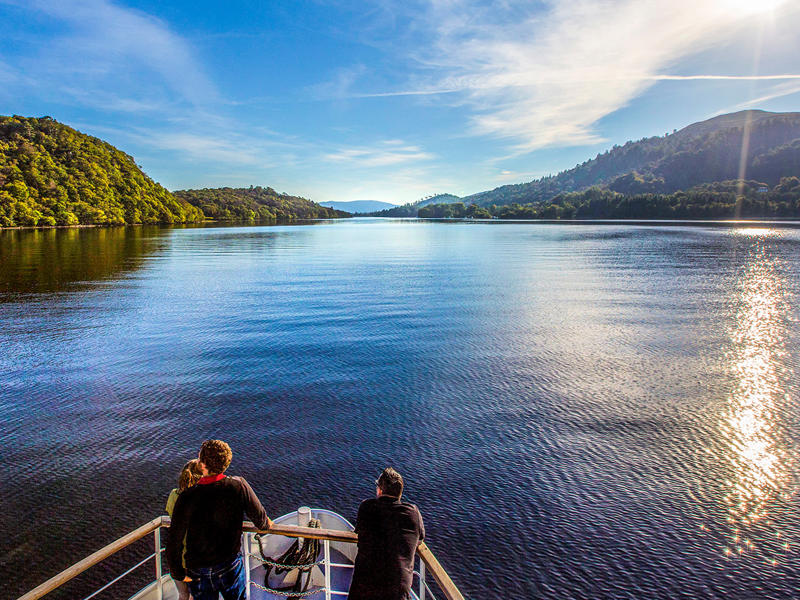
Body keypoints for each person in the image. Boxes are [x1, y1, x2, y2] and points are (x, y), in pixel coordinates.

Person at [166, 440, 273, 600]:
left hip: (197, 570)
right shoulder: (238, 486)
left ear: (201, 464)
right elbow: (263, 523)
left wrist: (178, 572)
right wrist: (269, 524)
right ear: (226, 463)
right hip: (229, 565)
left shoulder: (186, 497)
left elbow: (174, 542)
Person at [348, 467, 425, 600]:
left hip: (363, 589)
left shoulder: (366, 507)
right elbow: (420, 539)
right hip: (396, 593)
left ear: (379, 490)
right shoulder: (413, 513)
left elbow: (359, 530)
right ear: (400, 493)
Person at [166, 459, 203, 600]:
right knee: (196, 595)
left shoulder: (173, 496)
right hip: (195, 558)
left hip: (176, 558)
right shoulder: (201, 501)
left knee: (183, 594)